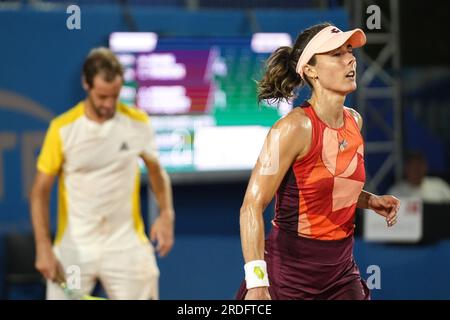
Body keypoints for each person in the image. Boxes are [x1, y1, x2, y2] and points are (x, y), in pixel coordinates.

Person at [237, 23, 400, 300]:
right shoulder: (292, 129)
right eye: (336, 54)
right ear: (310, 70)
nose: (350, 59)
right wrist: (256, 281)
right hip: (289, 274)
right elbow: (251, 207)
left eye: (349, 51)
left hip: (340, 271)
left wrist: (370, 200)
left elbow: (328, 188)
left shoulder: (354, 121)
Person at [30, 47, 175, 300]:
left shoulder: (137, 123)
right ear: (86, 84)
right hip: (75, 245)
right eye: (102, 97)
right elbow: (39, 193)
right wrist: (43, 246)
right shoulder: (62, 129)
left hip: (125, 243)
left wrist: (166, 214)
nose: (109, 104)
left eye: (115, 96)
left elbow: (156, 172)